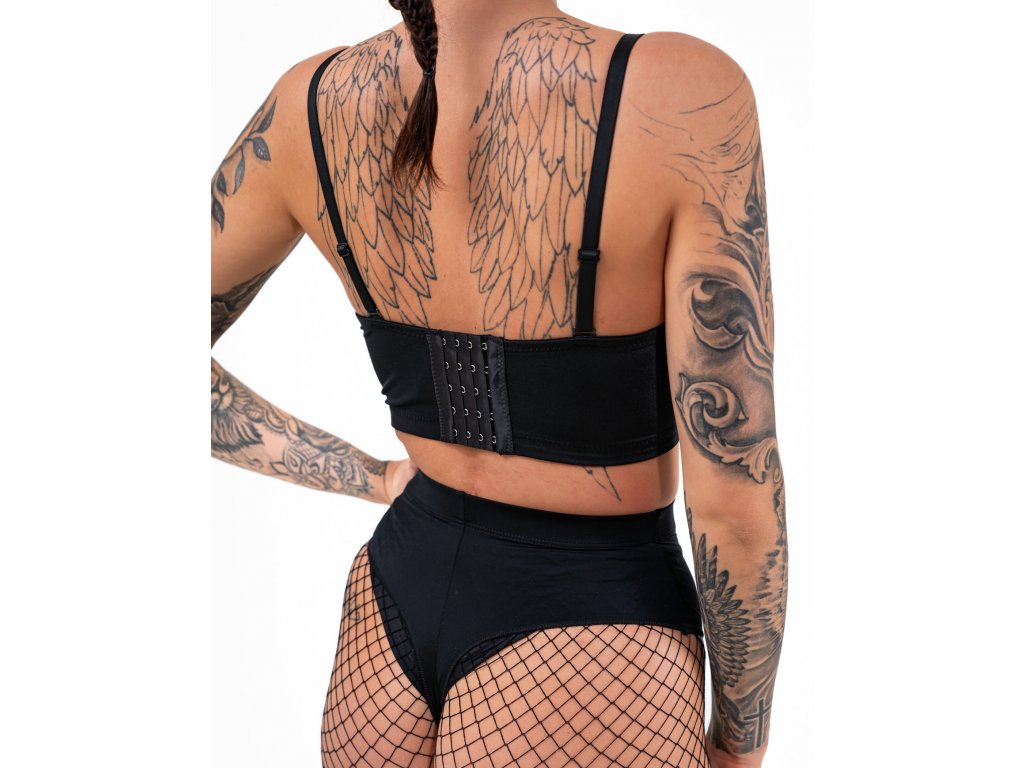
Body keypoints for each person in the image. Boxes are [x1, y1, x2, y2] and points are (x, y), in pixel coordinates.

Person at [211, 1, 788, 766]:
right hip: (591, 639)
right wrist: (740, 745)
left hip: (390, 615)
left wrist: (375, 477)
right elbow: (735, 502)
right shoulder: (681, 91)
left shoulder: (309, 103)